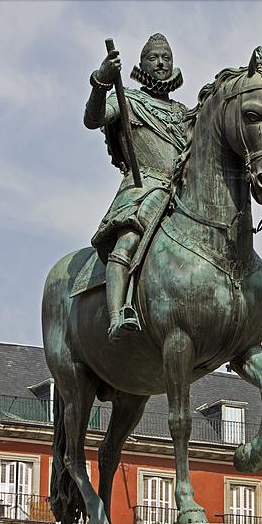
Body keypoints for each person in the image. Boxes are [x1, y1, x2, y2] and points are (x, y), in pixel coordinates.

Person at [84, 33, 188, 342]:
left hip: (181, 193)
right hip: (142, 190)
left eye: (166, 57)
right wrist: (101, 82)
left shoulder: (183, 113)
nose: (160, 62)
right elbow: (94, 119)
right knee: (128, 240)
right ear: (141, 63)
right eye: (154, 57)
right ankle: (117, 314)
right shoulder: (126, 98)